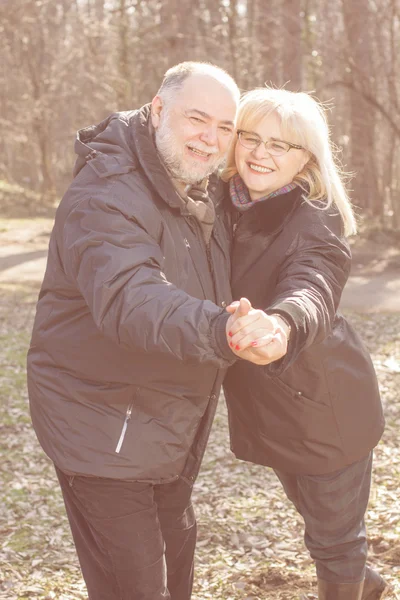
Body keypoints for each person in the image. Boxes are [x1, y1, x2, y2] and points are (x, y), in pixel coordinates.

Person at [27, 62, 262, 600]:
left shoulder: (198, 188)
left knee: (174, 570)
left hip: (164, 423)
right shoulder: (107, 191)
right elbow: (129, 297)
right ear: (158, 109)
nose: (211, 137)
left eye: (225, 127)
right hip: (102, 425)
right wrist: (221, 328)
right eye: (197, 119)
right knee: (134, 585)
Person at [222, 88, 387, 599]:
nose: (260, 152)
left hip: (324, 406)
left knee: (335, 541)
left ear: (306, 160)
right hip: (272, 404)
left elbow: (312, 283)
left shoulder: (315, 217)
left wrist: (282, 324)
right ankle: (370, 588)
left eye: (281, 145)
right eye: (250, 136)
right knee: (323, 523)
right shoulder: (223, 203)